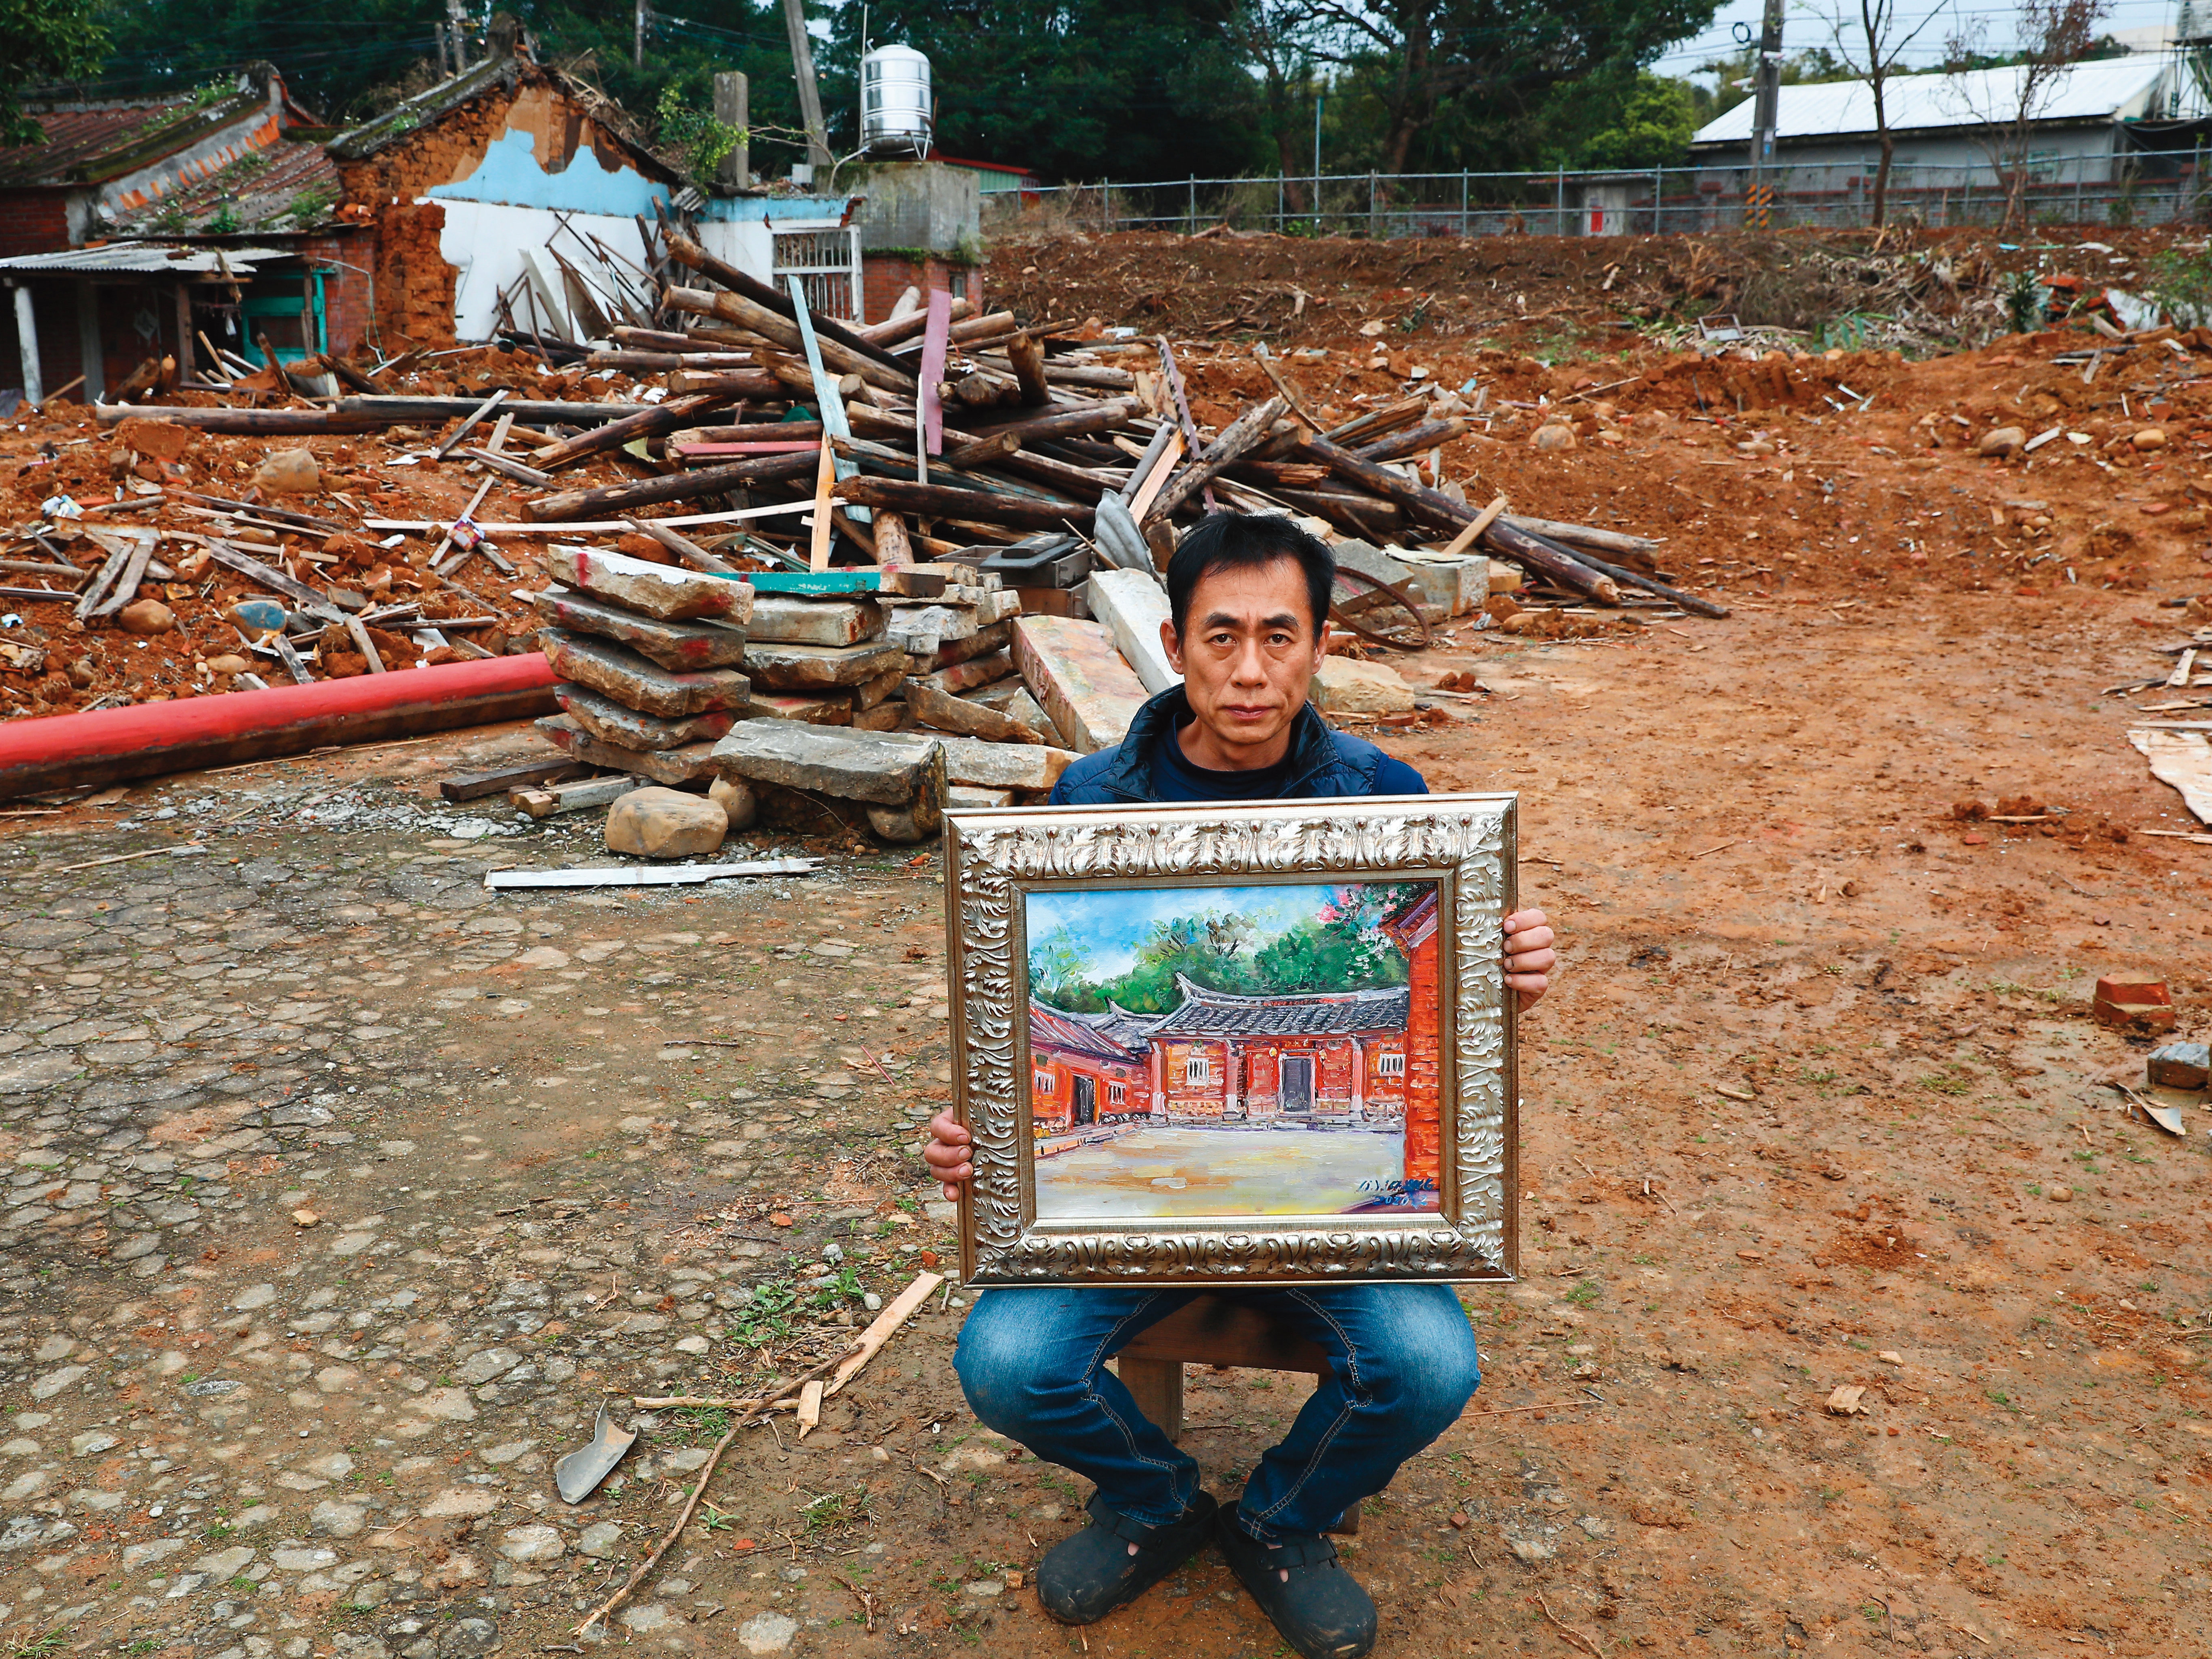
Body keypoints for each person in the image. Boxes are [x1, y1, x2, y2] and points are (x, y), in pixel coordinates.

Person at [924, 514, 1557, 1659]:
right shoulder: (1088, 797)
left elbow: (1435, 1012)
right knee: (1005, 1366)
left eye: (1280, 635)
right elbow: (1014, 1018)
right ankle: (1155, 1500)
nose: (1250, 671)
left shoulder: (1385, 793)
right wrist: (991, 1140)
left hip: (1329, 1228)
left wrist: (1496, 981)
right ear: (1174, 642)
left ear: (1321, 643)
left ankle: (1280, 1517)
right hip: (1121, 1227)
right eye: (1222, 637)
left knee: (1426, 1366)